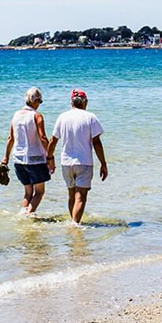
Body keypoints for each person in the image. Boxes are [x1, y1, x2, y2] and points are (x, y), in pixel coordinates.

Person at [49, 89, 109, 225]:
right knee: (80, 197)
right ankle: (75, 226)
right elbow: (96, 142)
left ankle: (74, 222)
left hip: (66, 162)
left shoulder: (62, 117)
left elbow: (53, 140)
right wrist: (103, 163)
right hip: (84, 162)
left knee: (71, 195)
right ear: (85, 102)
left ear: (71, 102)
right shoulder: (90, 117)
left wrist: (49, 158)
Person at [2, 87, 52, 215]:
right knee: (40, 192)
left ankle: (23, 212)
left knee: (28, 192)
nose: (39, 105)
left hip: (18, 160)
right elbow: (43, 138)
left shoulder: (16, 115)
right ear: (35, 101)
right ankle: (28, 215)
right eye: (40, 102)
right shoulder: (37, 116)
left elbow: (10, 139)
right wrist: (50, 157)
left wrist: (5, 159)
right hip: (35, 160)